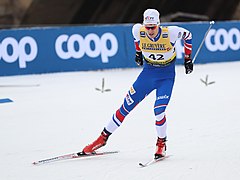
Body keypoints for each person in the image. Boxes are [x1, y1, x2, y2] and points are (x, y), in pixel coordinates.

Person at [82, 8, 193, 159]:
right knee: (125, 107)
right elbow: (136, 40)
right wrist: (138, 53)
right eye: (147, 27)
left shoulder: (171, 32)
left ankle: (161, 143)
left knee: (158, 111)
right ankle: (102, 139)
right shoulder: (137, 30)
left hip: (166, 77)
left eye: (153, 27)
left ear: (158, 24)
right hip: (148, 75)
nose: (150, 31)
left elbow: (188, 35)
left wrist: (187, 58)